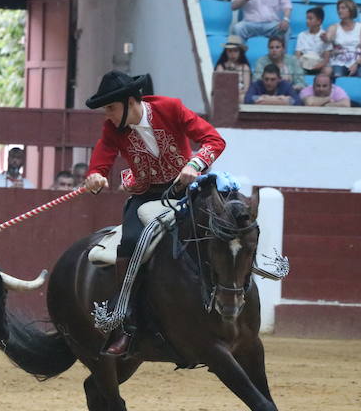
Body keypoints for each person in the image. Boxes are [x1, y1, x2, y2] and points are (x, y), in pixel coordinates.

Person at [83, 70, 226, 355]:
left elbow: (213, 140)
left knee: (225, 232)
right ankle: (125, 324)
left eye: (111, 108)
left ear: (131, 102)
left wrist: (194, 166)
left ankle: (231, 306)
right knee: (131, 242)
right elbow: (102, 160)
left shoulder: (169, 108)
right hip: (145, 194)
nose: (108, 115)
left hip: (185, 191)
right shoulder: (113, 129)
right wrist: (96, 176)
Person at [324, 0, 361, 78]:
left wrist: (356, 64)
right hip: (339, 61)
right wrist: (326, 38)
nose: (339, 11)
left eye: (343, 8)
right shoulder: (334, 27)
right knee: (337, 75)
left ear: (351, 10)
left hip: (358, 61)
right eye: (338, 8)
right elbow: (328, 38)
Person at [214, 35, 252, 101]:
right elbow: (219, 87)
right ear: (226, 52)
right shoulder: (221, 67)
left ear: (240, 52)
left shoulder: (245, 67)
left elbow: (246, 89)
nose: (232, 54)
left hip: (241, 96)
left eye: (235, 51)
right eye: (230, 51)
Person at [294, 6, 330, 75]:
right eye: (307, 18)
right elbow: (297, 54)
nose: (307, 21)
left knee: (328, 70)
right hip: (304, 63)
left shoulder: (325, 36)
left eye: (310, 19)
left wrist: (318, 66)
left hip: (319, 64)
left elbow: (326, 58)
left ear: (319, 21)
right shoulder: (301, 35)